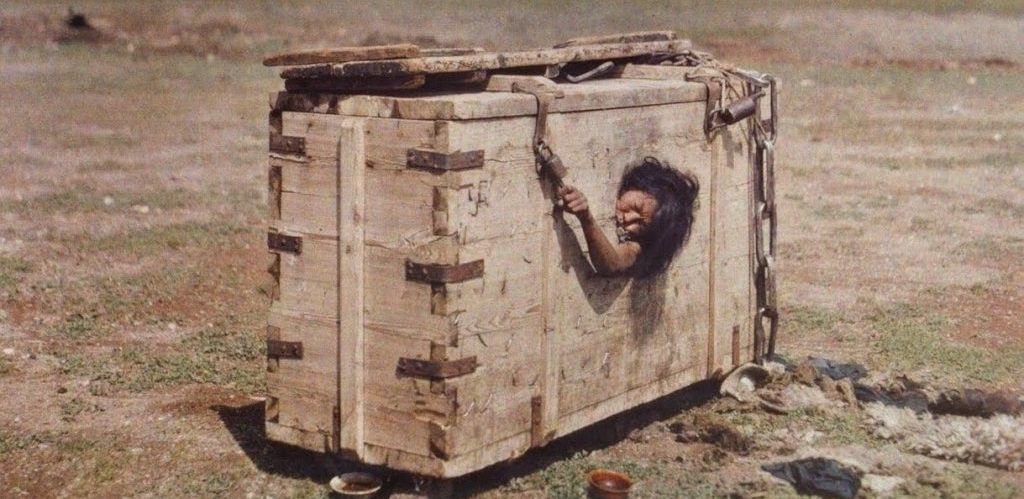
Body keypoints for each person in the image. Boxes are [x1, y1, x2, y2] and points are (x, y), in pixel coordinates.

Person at [558, 157, 700, 278]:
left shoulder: (638, 245)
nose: (628, 220)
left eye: (640, 224)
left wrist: (586, 218)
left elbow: (612, 265)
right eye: (636, 207)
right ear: (633, 185)